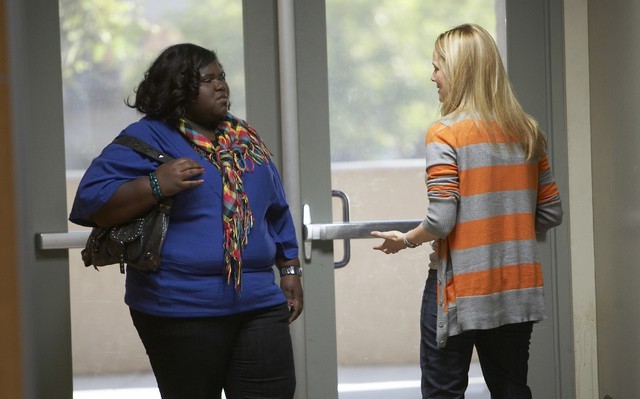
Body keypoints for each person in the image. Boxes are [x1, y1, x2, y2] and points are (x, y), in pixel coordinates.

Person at [69, 43, 303, 399]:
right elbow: (90, 202)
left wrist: (289, 269)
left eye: (221, 76)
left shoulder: (244, 139)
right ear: (177, 89)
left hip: (258, 302)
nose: (221, 85)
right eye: (207, 80)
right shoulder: (147, 138)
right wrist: (155, 184)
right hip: (178, 307)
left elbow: (276, 209)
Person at [371, 24, 562, 399]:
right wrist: (507, 225)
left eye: (438, 66)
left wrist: (405, 241)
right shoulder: (528, 132)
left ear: (458, 71)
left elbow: (442, 219)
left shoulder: (445, 133)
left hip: (461, 290)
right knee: (511, 390)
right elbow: (551, 213)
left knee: (444, 392)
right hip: (515, 288)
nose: (433, 77)